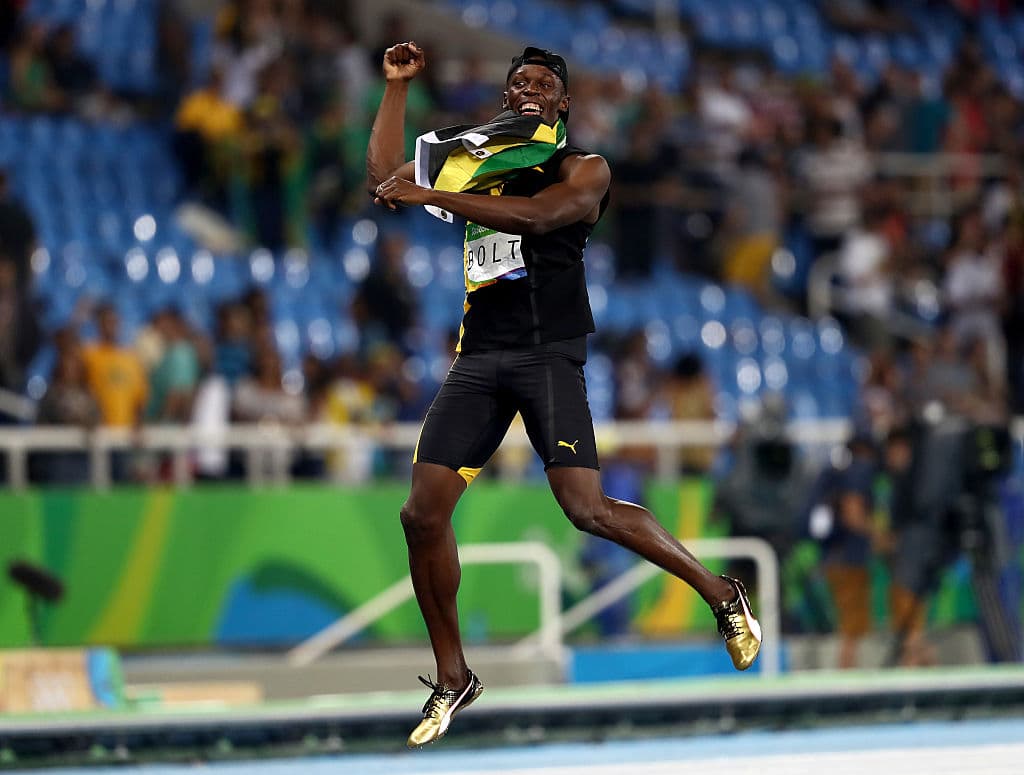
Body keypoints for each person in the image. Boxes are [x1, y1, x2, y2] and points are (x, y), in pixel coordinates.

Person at [367, 41, 762, 748]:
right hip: (480, 358)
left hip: (548, 356)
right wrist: (396, 89)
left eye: (542, 83)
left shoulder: (584, 166)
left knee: (586, 508)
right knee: (421, 514)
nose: (528, 88)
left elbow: (540, 217)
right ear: (505, 96)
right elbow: (383, 176)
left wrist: (434, 196)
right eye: (518, 80)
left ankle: (720, 592)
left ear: (563, 102)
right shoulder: (475, 160)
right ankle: (454, 675)